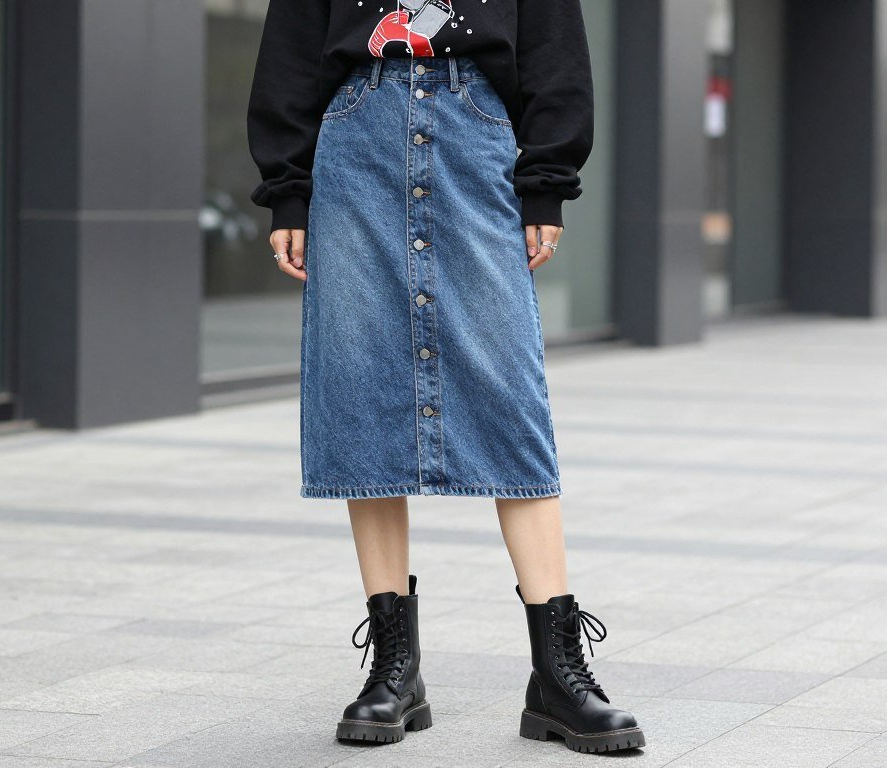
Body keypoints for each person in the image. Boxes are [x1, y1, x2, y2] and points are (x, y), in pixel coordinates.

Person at [246, 0, 645, 755]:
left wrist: (546, 180)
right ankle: (396, 667)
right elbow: (292, 48)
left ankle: (556, 672)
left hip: (479, 134)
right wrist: (287, 189)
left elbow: (556, 47)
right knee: (361, 389)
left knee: (508, 394)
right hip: (355, 139)